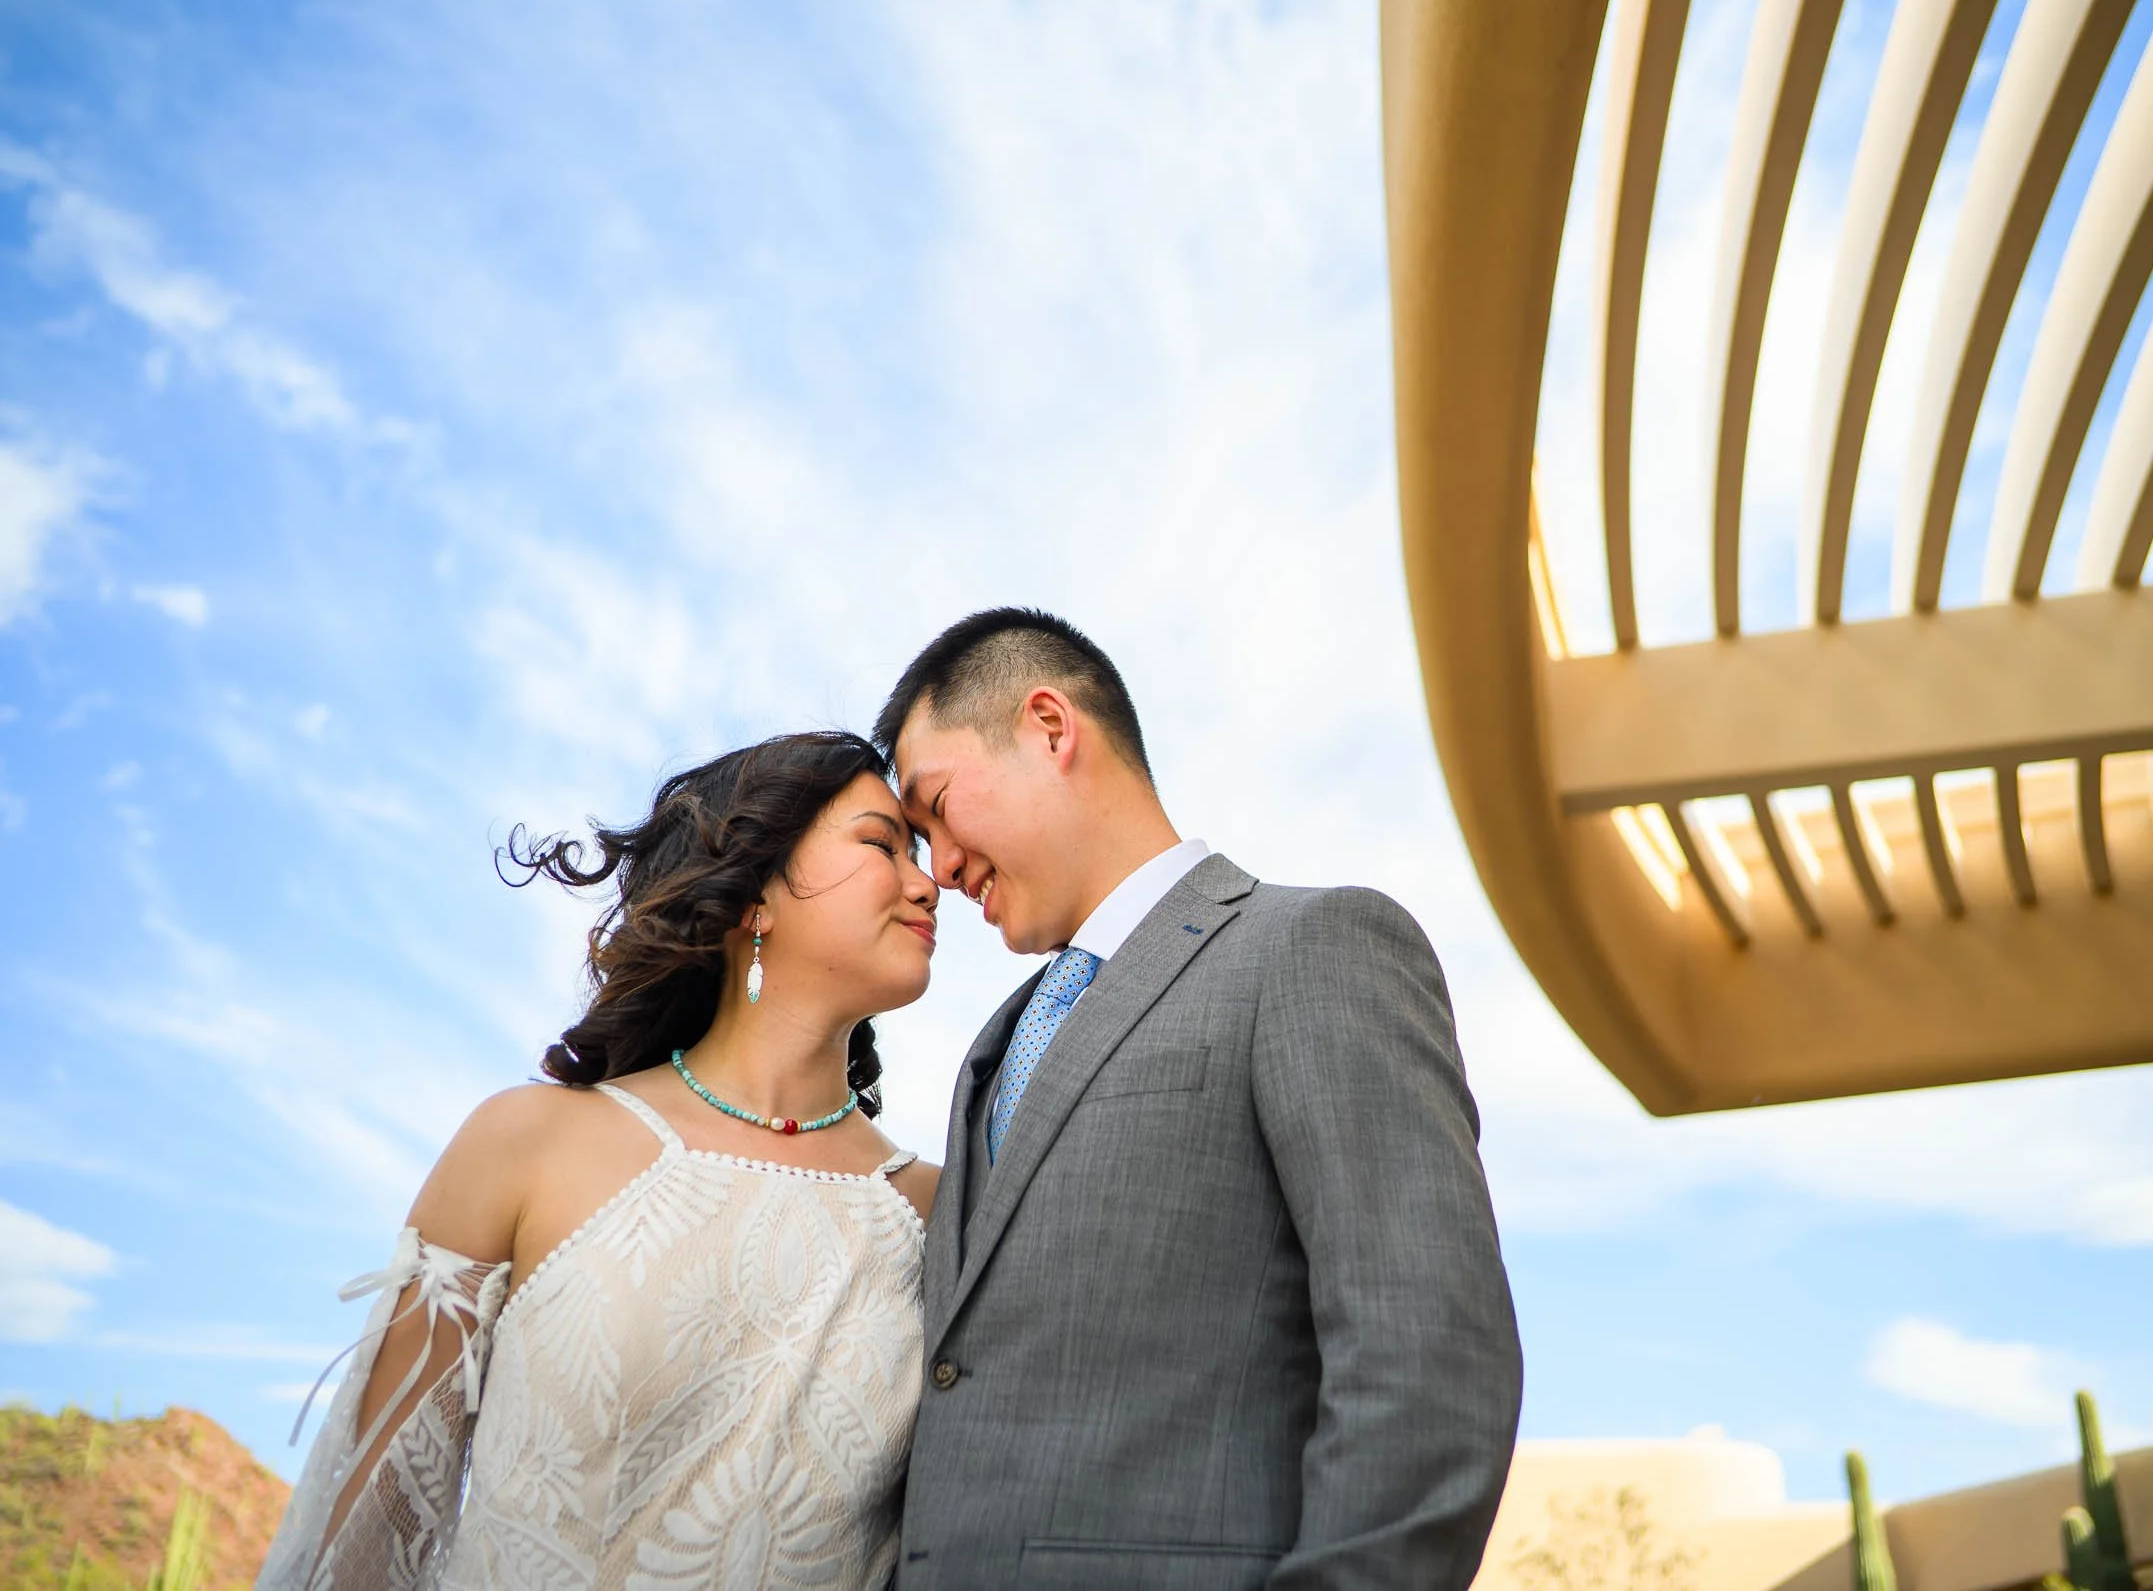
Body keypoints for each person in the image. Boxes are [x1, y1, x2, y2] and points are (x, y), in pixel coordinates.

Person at [877, 608, 1522, 1590]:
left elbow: (1426, 1354)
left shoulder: (1311, 945)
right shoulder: (994, 1048)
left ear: (1049, 727)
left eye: (936, 809)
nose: (940, 869)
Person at [257, 731, 943, 1591]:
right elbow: (370, 1531)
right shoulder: (527, 1141)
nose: (927, 882)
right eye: (883, 844)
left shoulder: (939, 1210)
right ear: (753, 894)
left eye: (920, 854)